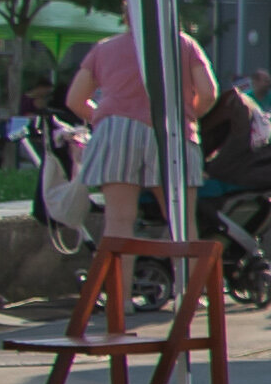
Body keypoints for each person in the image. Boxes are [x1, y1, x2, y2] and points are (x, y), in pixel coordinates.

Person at [60, 17, 220, 253]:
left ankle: (119, 290)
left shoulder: (105, 48)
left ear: (126, 16)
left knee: (118, 222)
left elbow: (74, 100)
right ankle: (189, 288)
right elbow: (208, 93)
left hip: (116, 132)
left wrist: (108, 117)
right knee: (182, 224)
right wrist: (187, 116)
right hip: (171, 131)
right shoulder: (184, 45)